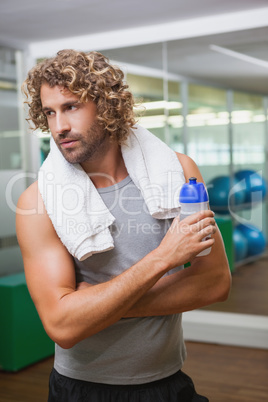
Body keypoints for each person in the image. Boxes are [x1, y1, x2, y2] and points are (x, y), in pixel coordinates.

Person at [16, 49, 231, 402]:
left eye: (71, 107)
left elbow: (214, 282)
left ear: (106, 104)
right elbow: (62, 327)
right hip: (83, 389)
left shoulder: (178, 173)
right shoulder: (38, 202)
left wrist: (95, 309)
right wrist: (163, 258)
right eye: (49, 112)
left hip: (169, 381)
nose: (59, 127)